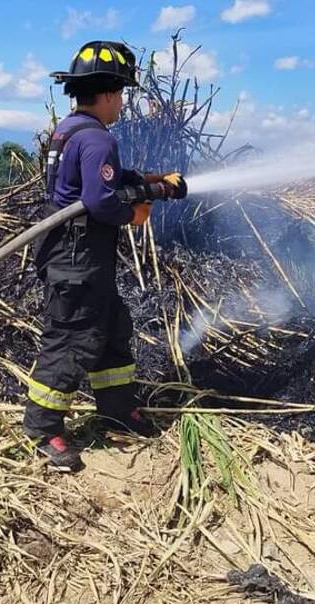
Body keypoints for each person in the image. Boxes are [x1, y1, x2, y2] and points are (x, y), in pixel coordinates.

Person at [27, 41, 188, 472]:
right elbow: (100, 202)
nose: (121, 103)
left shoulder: (71, 130)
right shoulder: (98, 138)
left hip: (75, 255)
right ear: (109, 92)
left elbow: (102, 181)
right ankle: (44, 430)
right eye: (121, 94)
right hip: (77, 259)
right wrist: (134, 211)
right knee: (71, 339)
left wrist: (154, 182)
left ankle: (116, 409)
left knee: (112, 326)